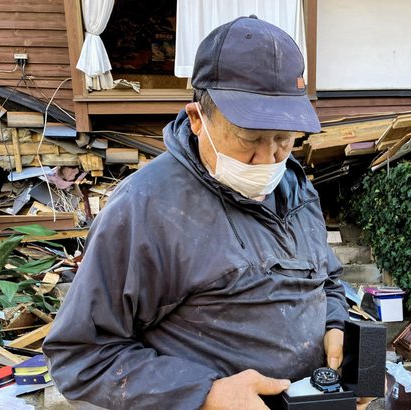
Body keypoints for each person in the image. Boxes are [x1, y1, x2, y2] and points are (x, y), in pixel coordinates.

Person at [43, 16, 353, 409]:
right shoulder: (145, 208)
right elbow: (81, 356)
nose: (267, 159)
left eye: (283, 138)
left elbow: (326, 280)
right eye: (249, 138)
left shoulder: (295, 187)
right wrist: (206, 393)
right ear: (196, 119)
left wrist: (334, 326)